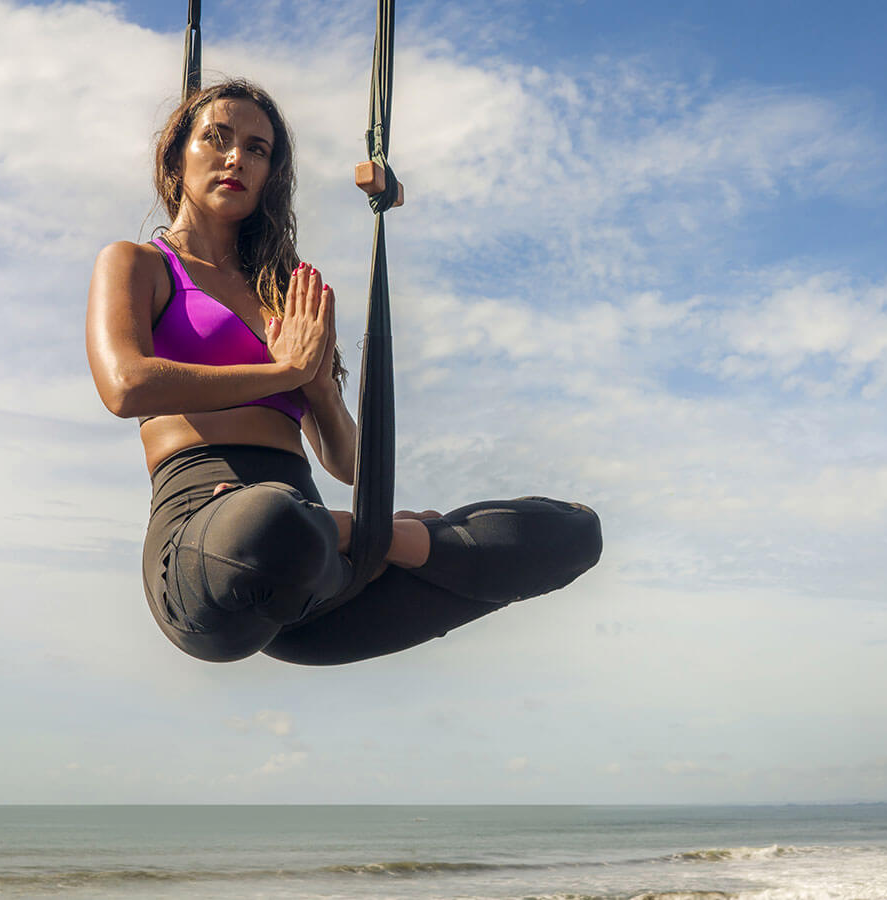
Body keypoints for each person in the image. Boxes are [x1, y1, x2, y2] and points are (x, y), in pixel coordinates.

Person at [85, 79, 601, 664]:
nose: (237, 158)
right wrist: (283, 371)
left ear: (271, 172)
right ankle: (374, 537)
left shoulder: (284, 292)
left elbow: (352, 465)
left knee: (571, 534)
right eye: (217, 138)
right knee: (271, 522)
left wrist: (318, 387)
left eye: (257, 148)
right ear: (177, 157)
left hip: (314, 584)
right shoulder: (140, 263)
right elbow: (126, 386)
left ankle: (358, 537)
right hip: (210, 542)